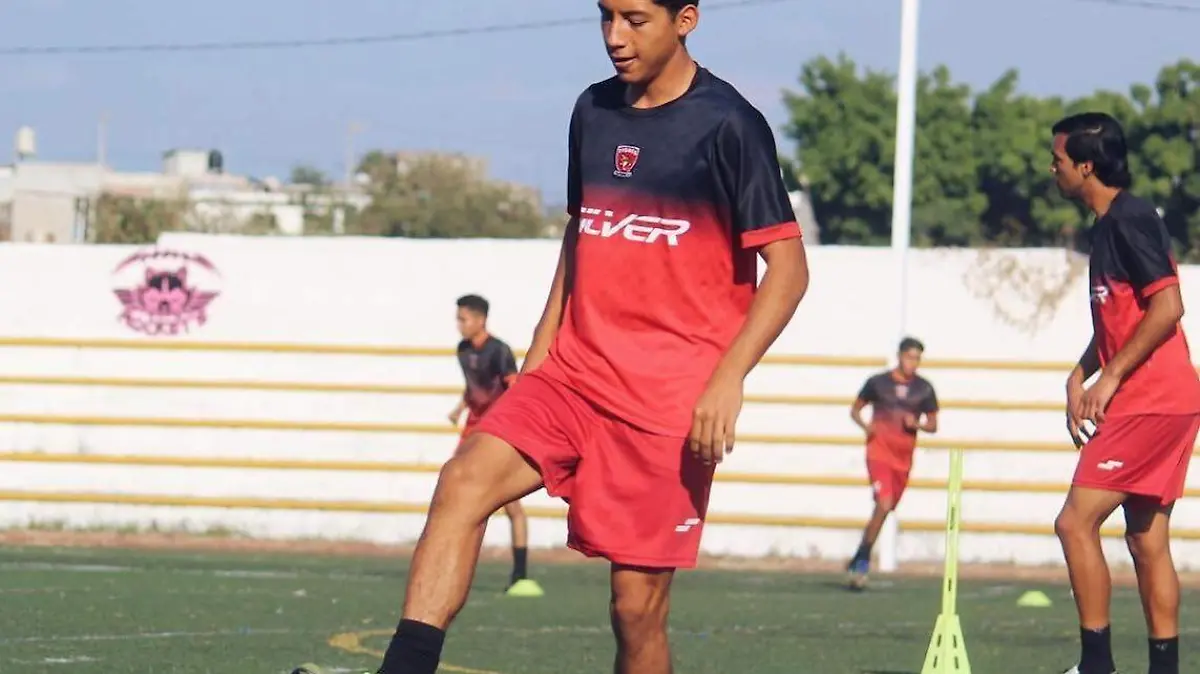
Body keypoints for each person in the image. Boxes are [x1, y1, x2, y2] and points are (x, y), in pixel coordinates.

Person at [371, 1, 810, 672]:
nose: (615, 37)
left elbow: (789, 271)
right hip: (572, 377)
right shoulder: (592, 111)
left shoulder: (730, 124)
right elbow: (582, 232)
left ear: (685, 19)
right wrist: (542, 355)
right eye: (604, 16)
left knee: (635, 612)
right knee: (462, 483)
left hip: (666, 405)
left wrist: (728, 379)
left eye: (635, 19)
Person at [1050, 111, 1200, 674]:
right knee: (1145, 537)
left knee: (1074, 522)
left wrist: (1109, 379)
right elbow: (1122, 318)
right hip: (1166, 396)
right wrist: (1081, 372)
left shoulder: (1129, 218)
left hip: (1152, 397)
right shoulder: (1108, 222)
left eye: (1059, 160)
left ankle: (1096, 667)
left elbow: (1168, 307)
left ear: (1086, 166)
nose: (1053, 168)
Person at [447, 294, 543, 598]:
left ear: (480, 320)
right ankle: (451, 565)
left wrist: (513, 427)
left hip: (496, 428)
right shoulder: (462, 350)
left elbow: (514, 389)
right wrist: (460, 407)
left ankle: (520, 574)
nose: (459, 324)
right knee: (455, 486)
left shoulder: (499, 351)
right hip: (473, 427)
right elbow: (474, 385)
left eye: (463, 319)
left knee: (507, 502)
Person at [845, 336, 939, 590]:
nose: (913, 363)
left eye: (917, 359)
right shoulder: (878, 383)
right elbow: (855, 409)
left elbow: (933, 424)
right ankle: (863, 561)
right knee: (883, 503)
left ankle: (859, 553)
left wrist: (917, 424)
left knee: (887, 507)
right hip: (879, 453)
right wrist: (867, 427)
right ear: (899, 356)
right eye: (909, 357)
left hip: (903, 459)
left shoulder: (924, 389)